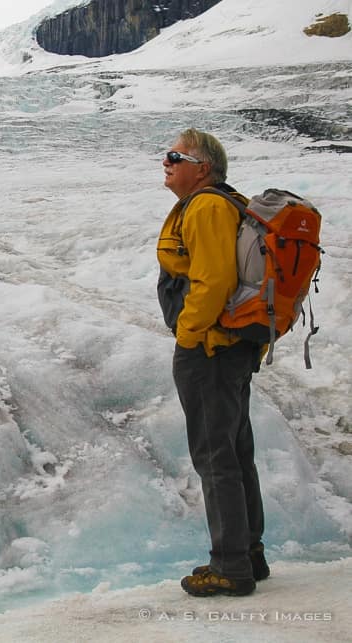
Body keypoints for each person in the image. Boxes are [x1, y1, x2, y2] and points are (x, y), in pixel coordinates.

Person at [156, 128, 270, 597]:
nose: (165, 162)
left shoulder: (205, 206)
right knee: (234, 449)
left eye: (174, 156)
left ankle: (229, 567)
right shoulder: (225, 202)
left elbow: (213, 279)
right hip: (231, 347)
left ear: (201, 167)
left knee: (215, 454)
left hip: (210, 348)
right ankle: (250, 555)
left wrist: (188, 335)